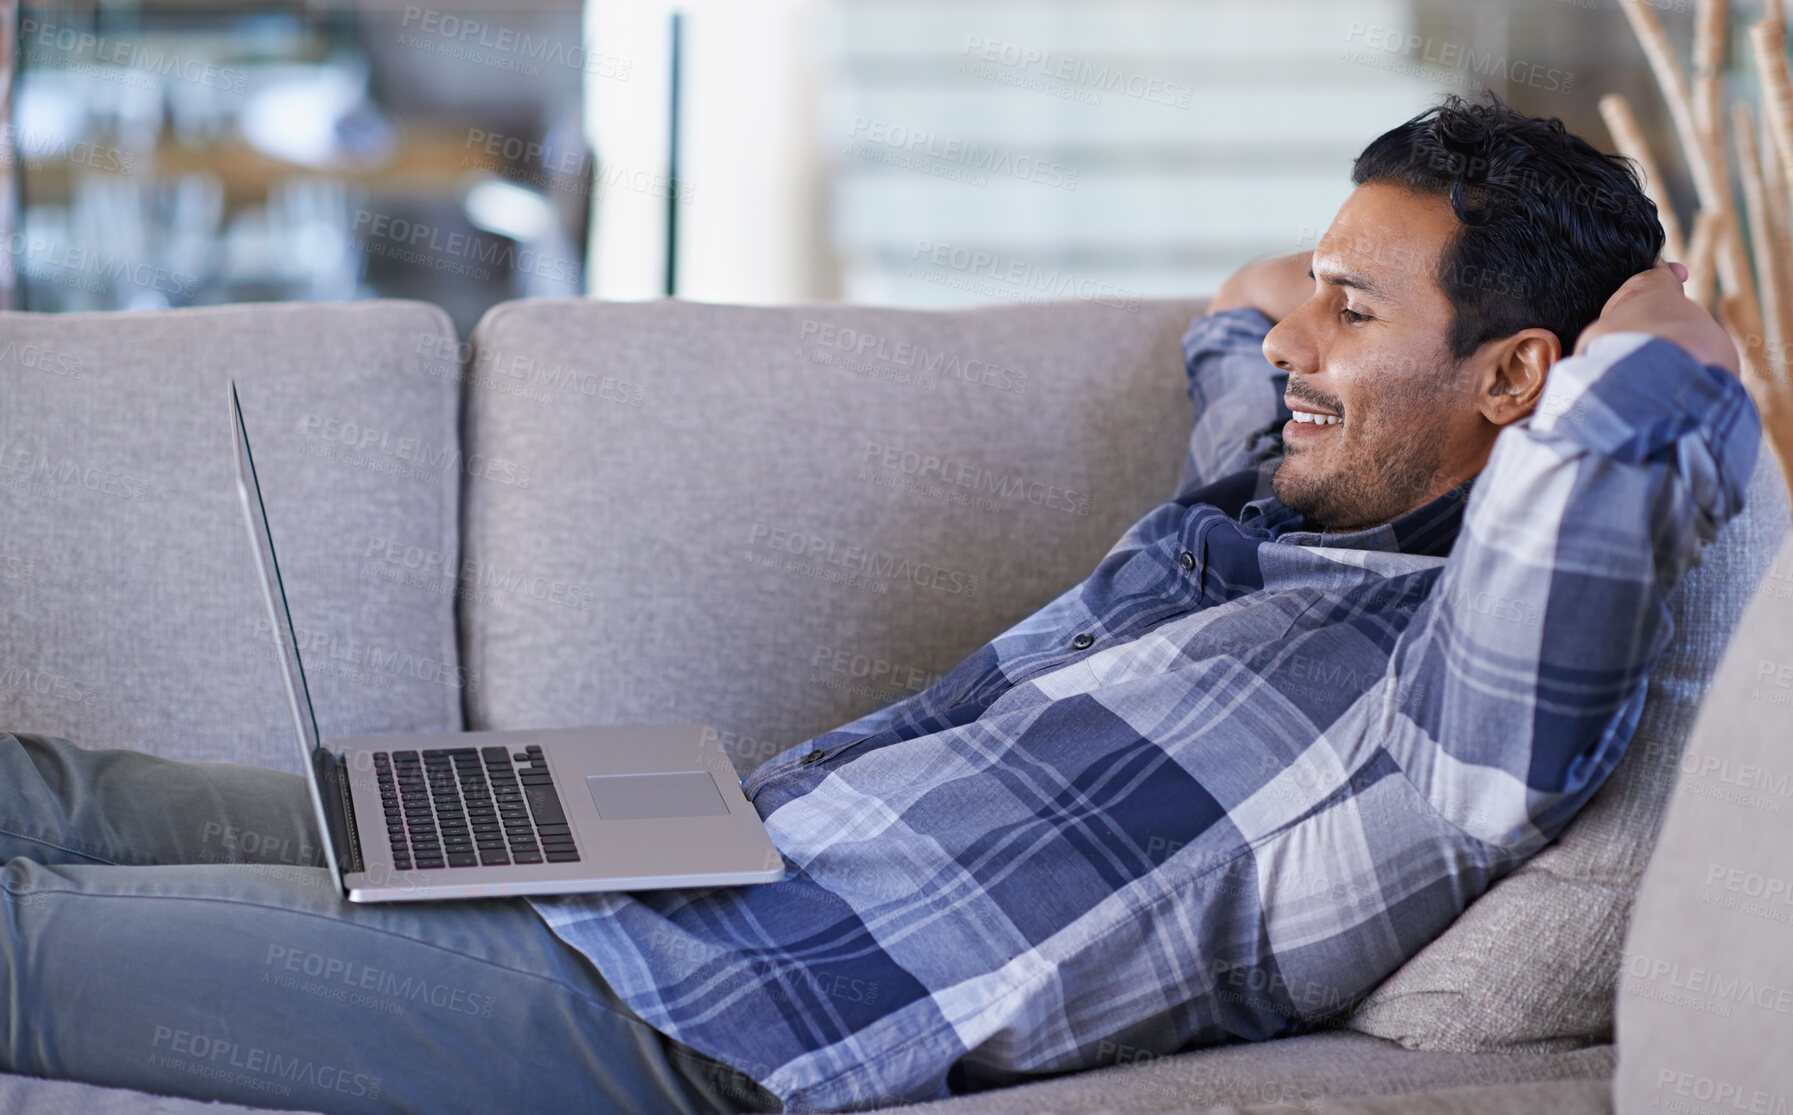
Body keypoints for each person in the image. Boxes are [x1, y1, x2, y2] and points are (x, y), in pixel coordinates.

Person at [0, 92, 1762, 1115]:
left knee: (34, 944)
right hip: (685, 837)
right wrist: (1328, 309)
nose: (1297, 342)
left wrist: (1655, 288)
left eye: (1355, 317)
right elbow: (1236, 317)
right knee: (70, 804)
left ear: (1521, 375)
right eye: (1322, 298)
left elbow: (1642, 407)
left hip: (716, 1020)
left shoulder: (1454, 710)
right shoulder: (1278, 510)